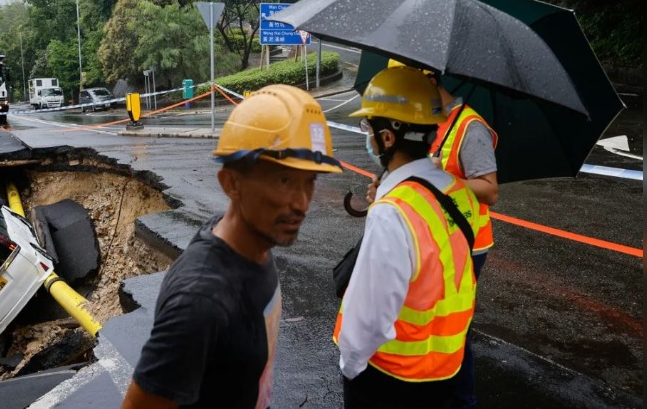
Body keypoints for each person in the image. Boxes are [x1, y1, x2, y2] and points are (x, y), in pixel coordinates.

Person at [121, 84, 343, 409]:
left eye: (309, 181)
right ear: (231, 184)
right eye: (284, 180)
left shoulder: (254, 243)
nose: (302, 203)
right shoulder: (199, 302)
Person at [334, 66, 481, 409]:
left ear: (387, 137)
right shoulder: (457, 191)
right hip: (446, 370)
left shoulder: (394, 212)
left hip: (389, 382)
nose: (366, 135)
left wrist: (351, 367)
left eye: (367, 126)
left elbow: (368, 318)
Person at [387, 59, 499, 409]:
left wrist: (442, 178)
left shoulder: (470, 127)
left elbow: (490, 189)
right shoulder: (431, 121)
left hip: (467, 244)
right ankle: (435, 389)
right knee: (429, 322)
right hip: (434, 238)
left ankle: (462, 399)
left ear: (430, 81)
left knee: (453, 327)